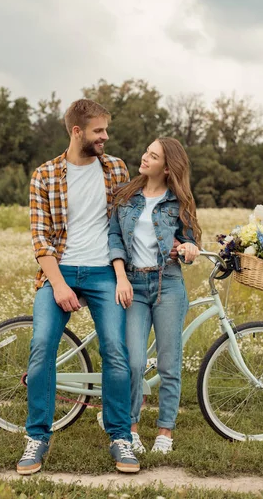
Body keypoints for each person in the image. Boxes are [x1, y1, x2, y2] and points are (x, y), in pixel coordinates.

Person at [17, 99, 140, 475]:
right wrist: (57, 285)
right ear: (77, 132)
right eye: (98, 131)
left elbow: (131, 220)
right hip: (61, 272)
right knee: (41, 347)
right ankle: (37, 437)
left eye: (105, 130)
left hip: (104, 272)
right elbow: (40, 239)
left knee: (116, 351)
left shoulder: (116, 169)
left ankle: (120, 436)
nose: (106, 136)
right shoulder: (45, 175)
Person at [108, 137, 201, 454]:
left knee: (168, 364)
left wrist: (189, 249)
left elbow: (190, 244)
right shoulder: (126, 196)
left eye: (153, 155)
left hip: (169, 285)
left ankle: (165, 432)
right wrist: (121, 276)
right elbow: (114, 238)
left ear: (167, 165)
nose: (144, 157)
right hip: (132, 284)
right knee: (133, 362)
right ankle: (131, 429)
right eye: (146, 150)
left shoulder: (180, 202)